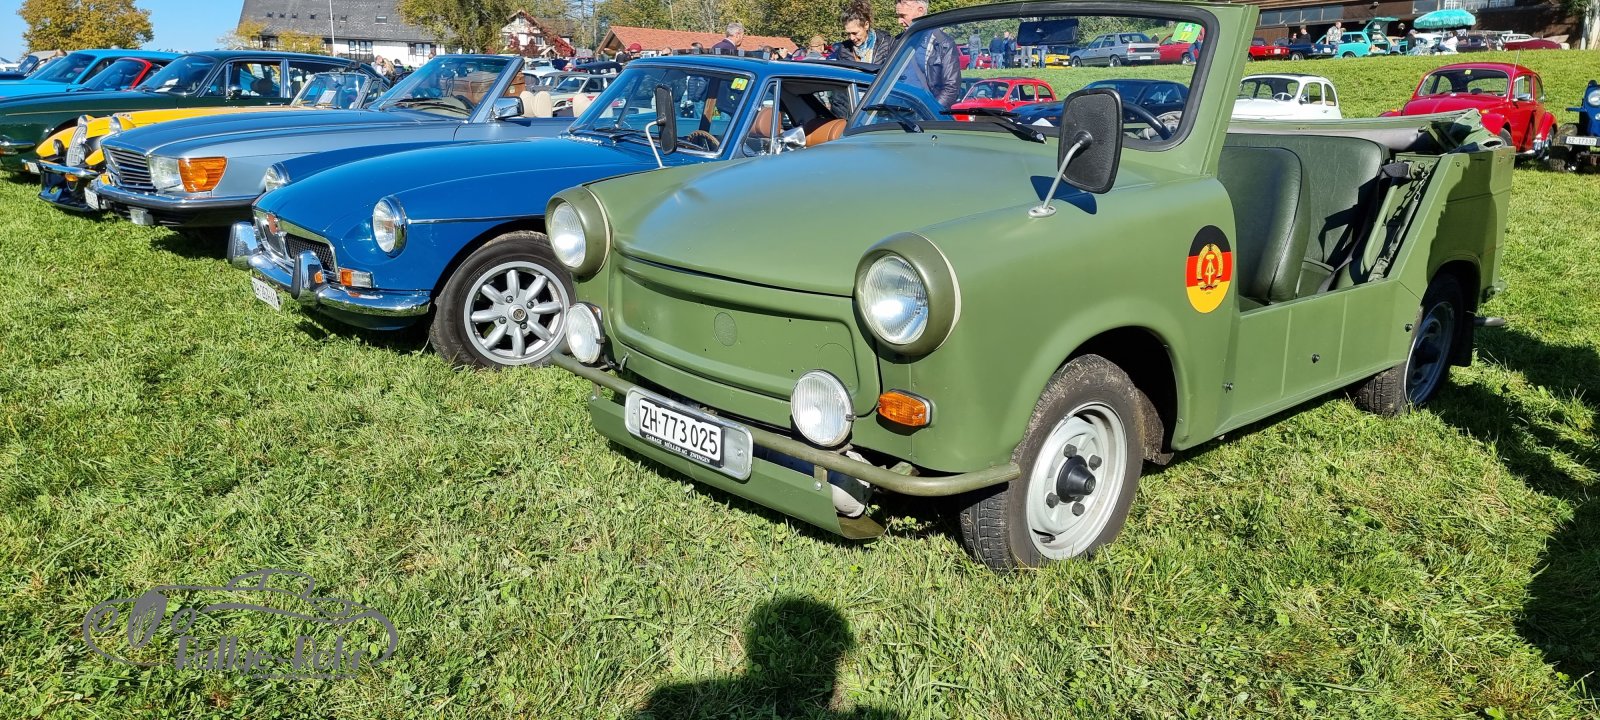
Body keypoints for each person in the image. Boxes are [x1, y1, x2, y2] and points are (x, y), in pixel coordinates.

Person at [892, 0, 961, 106]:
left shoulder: (942, 43)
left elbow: (951, 88)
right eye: (898, 16)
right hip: (895, 110)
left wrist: (931, 111)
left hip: (925, 111)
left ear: (920, 11)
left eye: (903, 16)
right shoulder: (897, 41)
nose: (899, 21)